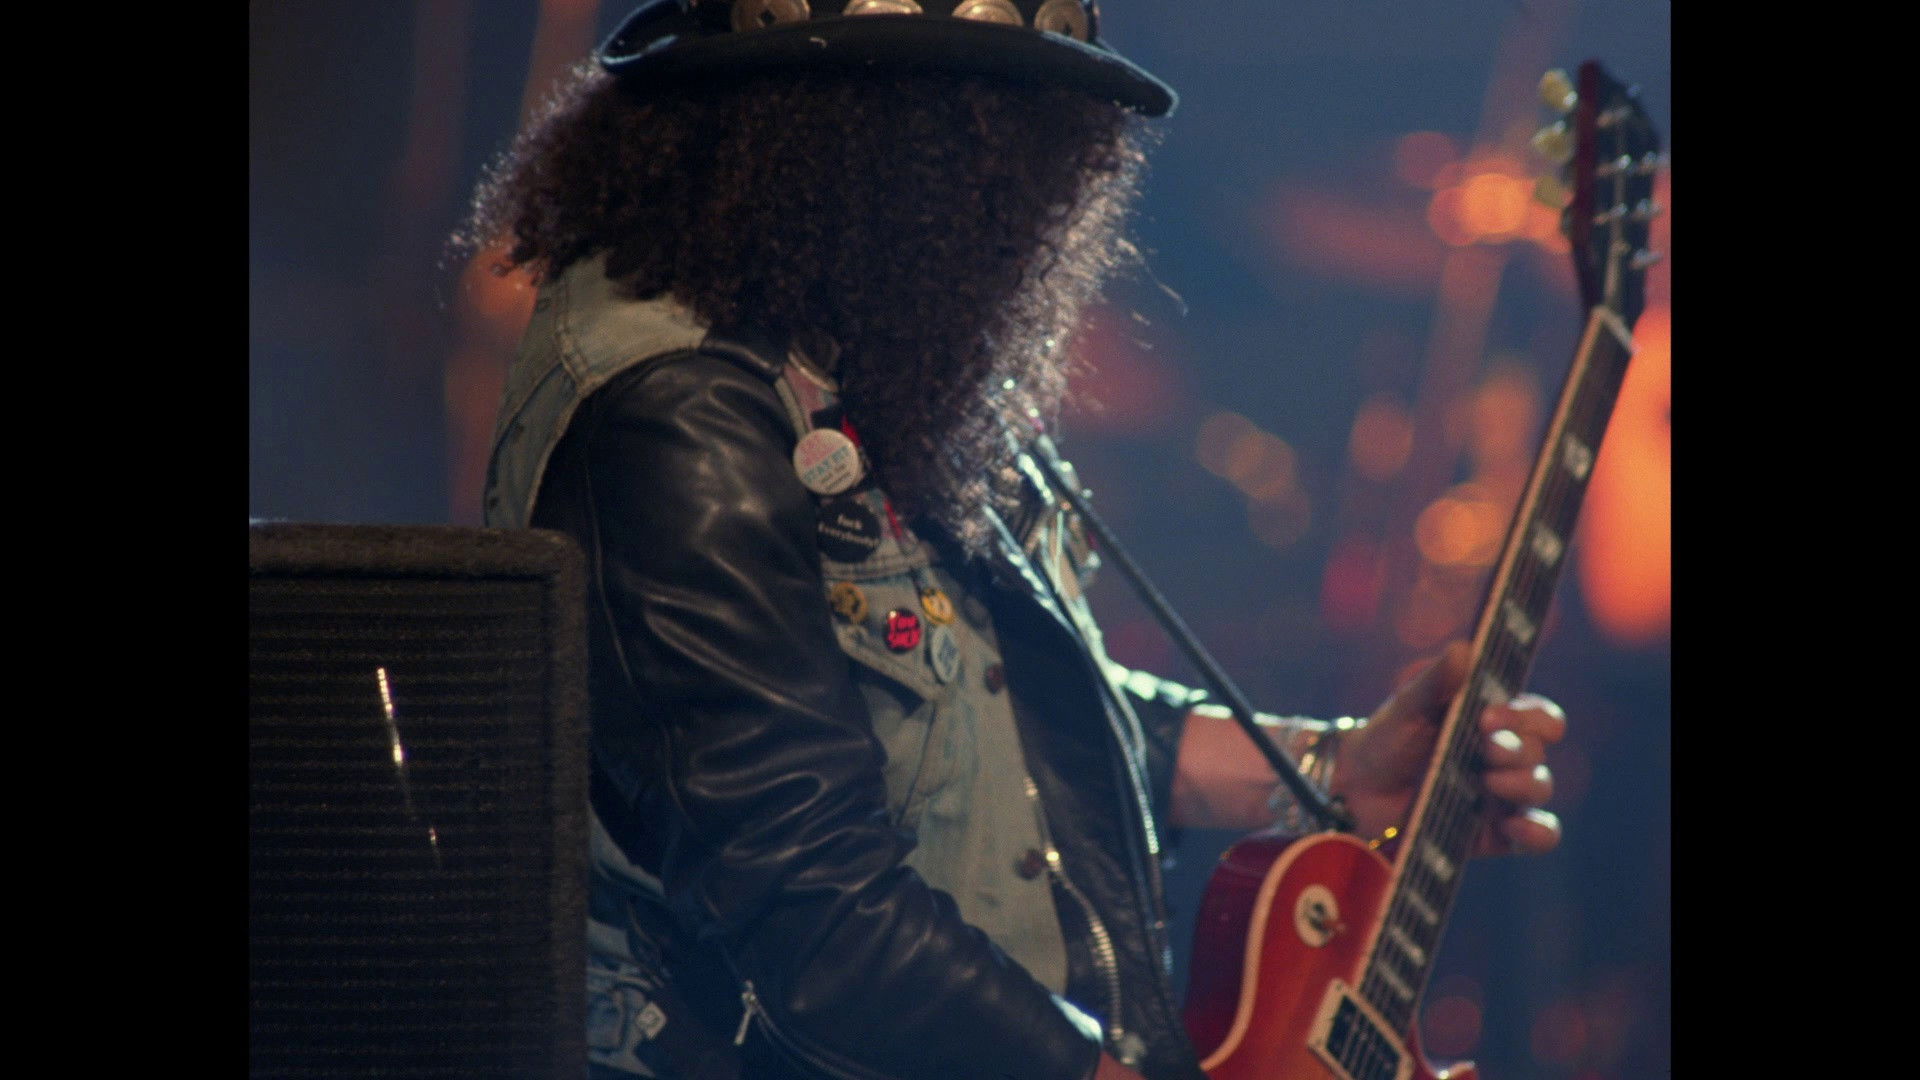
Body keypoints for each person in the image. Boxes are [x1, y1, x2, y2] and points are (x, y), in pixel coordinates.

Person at [465, 3, 1565, 1078]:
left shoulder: (860, 343)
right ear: (815, 127)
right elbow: (813, 914)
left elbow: (1001, 721)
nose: (997, 204)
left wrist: (1332, 767)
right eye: (965, 138)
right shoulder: (682, 413)